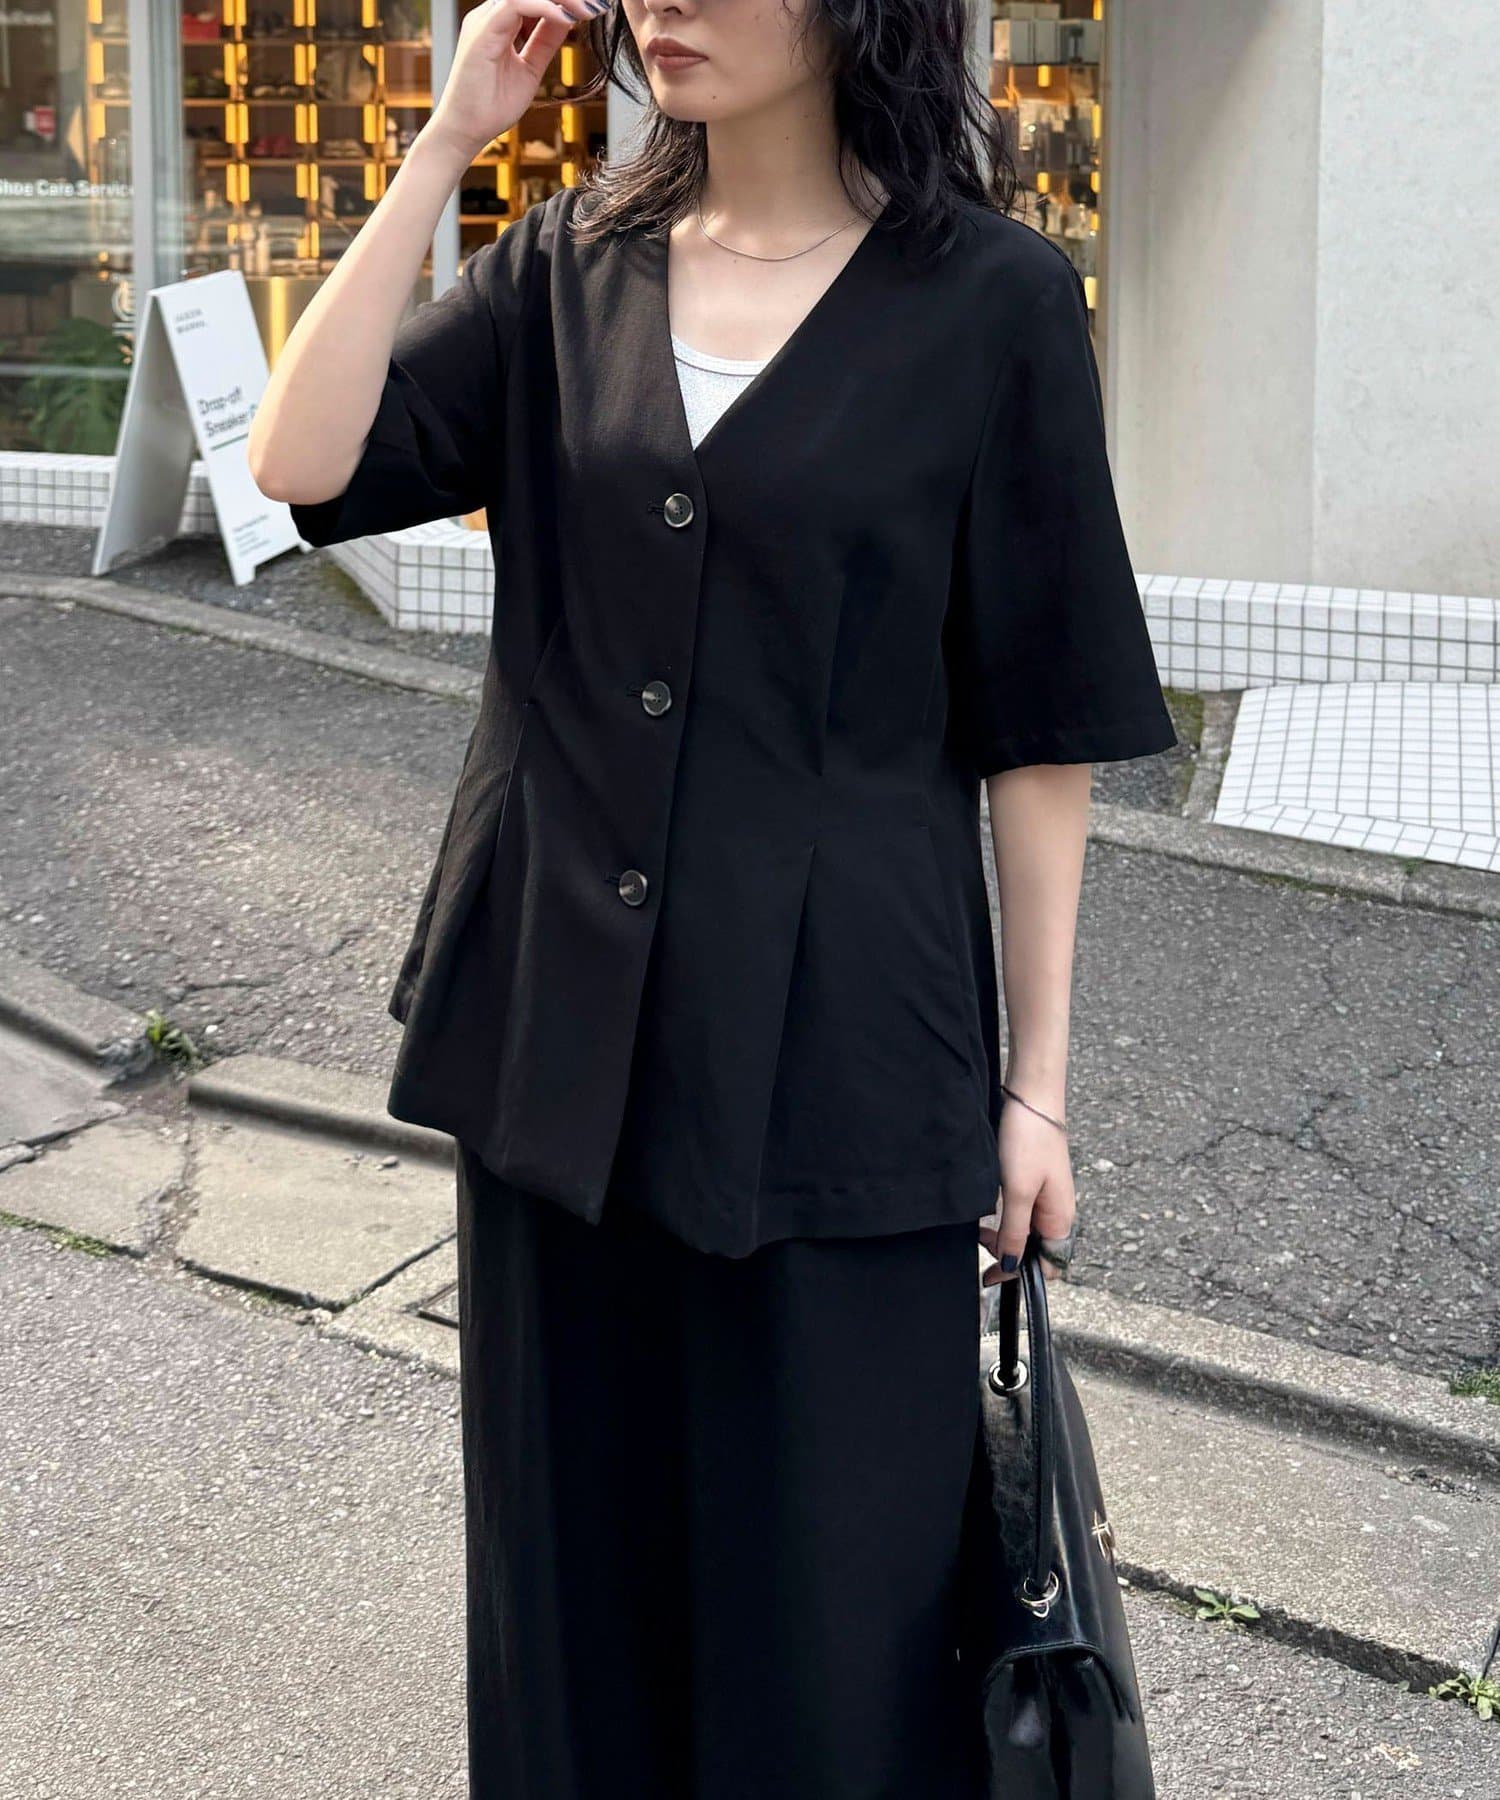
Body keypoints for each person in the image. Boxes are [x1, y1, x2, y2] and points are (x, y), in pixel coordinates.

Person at [249, 0, 1177, 1792]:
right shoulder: (562, 268)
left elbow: (1040, 723)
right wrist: (445, 145)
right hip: (558, 1064)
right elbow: (302, 466)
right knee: (571, 1612)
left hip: (848, 1070)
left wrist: (1039, 1085)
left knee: (831, 1626)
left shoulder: (990, 300)